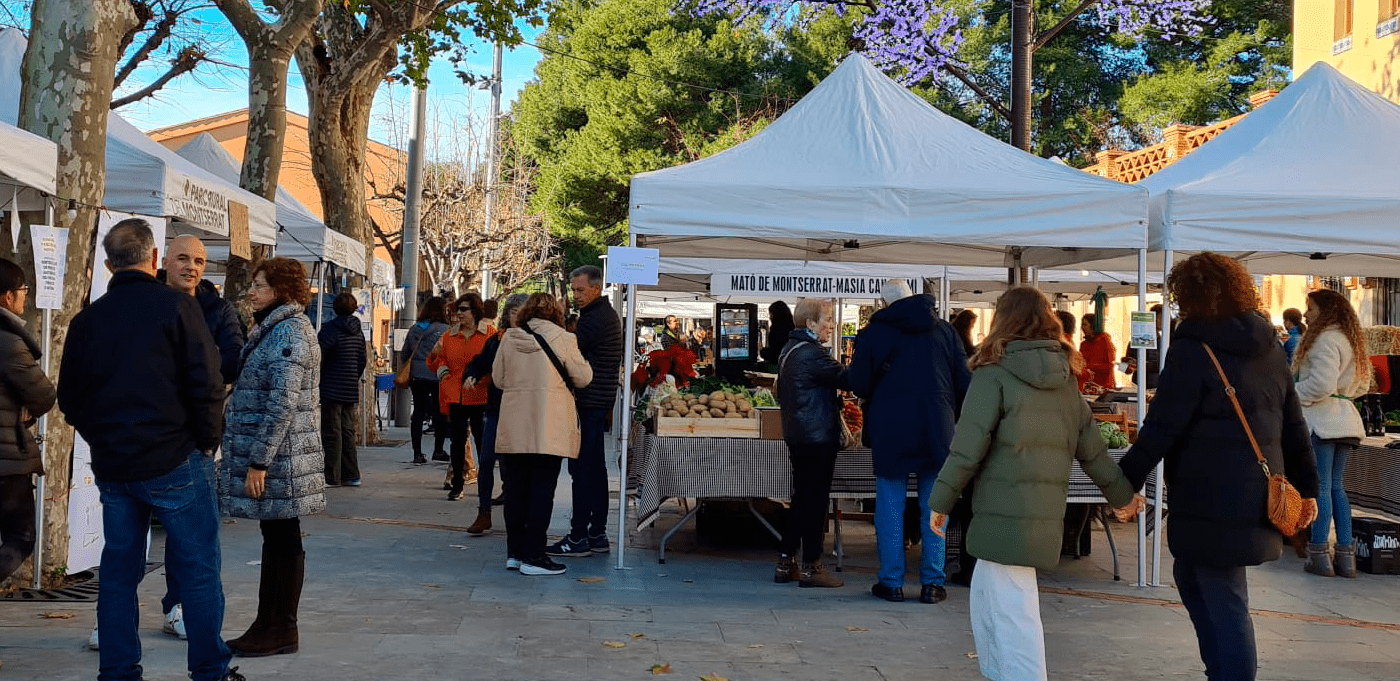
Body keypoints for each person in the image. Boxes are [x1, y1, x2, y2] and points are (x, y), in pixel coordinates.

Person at [57, 219, 243, 681]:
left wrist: (104, 437)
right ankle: (209, 671)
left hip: (117, 463)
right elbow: (207, 382)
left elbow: (70, 400)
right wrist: (204, 442)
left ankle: (118, 671)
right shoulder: (177, 308)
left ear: (108, 264)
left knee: (119, 570)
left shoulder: (87, 321)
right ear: (155, 260)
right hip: (175, 459)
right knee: (198, 568)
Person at [1118, 253, 1318, 681]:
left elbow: (1162, 427)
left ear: (1187, 296)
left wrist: (1124, 481)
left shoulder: (1193, 349)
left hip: (1209, 495)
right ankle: (1221, 673)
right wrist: (1309, 487)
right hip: (1252, 493)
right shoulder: (1268, 347)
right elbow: (1294, 426)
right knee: (1195, 578)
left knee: (1223, 595)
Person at [928, 286, 1141, 680]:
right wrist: (1123, 496)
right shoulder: (1066, 381)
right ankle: (998, 673)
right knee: (992, 600)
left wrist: (940, 500)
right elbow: (1093, 451)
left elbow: (966, 447)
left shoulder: (993, 376)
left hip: (1001, 508)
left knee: (1012, 610)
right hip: (1038, 512)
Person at [142, 235, 248, 644]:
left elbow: (232, 360)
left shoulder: (217, 309)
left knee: (186, 535)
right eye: (183, 258)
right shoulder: (144, 301)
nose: (192, 267)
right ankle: (114, 617)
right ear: (163, 260)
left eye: (200, 261)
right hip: (138, 435)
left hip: (192, 438)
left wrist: (188, 371)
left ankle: (177, 606)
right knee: (127, 539)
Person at [220, 257, 325, 658]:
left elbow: (282, 402)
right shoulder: (274, 329)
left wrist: (259, 461)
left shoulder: (290, 333)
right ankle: (270, 624)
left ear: (280, 290)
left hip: (281, 462)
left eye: (260, 285)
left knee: (283, 539)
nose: (252, 291)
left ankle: (279, 627)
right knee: (277, 538)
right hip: (278, 459)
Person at [849, 281, 970, 603]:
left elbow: (859, 384)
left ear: (885, 303)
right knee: (935, 507)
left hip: (891, 426)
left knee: (890, 506)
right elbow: (964, 382)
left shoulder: (875, 333)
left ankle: (891, 582)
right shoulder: (945, 331)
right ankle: (933, 583)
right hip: (937, 426)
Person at [492, 293, 593, 575]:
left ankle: (514, 553)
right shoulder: (564, 338)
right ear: (556, 314)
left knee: (515, 491)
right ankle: (535, 556)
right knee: (541, 492)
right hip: (550, 426)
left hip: (515, 423)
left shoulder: (509, 338)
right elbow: (584, 378)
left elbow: (498, 379)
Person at [773, 298, 850, 589]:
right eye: (827, 319)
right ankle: (811, 567)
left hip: (799, 434)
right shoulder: (812, 354)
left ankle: (786, 561)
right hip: (816, 436)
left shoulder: (790, 349)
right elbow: (848, 377)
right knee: (815, 502)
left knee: (802, 499)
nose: (832, 325)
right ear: (810, 324)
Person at [548, 266, 623, 558]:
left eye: (580, 290)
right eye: (574, 290)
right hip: (597, 401)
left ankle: (579, 535)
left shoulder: (596, 319)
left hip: (590, 401)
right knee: (594, 470)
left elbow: (569, 351)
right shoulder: (600, 315)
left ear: (596, 288)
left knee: (582, 471)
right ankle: (597, 533)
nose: (576, 295)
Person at [1293, 289, 1369, 578]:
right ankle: (1346, 557)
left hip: (1322, 421)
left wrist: (1293, 394)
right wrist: (1343, 395)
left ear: (1324, 310)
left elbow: (1321, 385)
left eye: (1310, 307)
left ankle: (1319, 552)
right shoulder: (1351, 339)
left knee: (1322, 487)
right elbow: (1362, 385)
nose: (1305, 314)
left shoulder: (1324, 339)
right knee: (1337, 487)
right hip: (1346, 421)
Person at [0, 257, 56, 583]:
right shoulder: (8, 341)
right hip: (6, 460)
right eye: (23, 290)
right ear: (8, 297)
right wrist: (28, 407)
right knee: (20, 539)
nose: (26, 297)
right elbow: (45, 394)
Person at [463, 293, 530, 539]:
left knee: (515, 468)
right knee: (487, 460)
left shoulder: (534, 341)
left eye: (520, 313)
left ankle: (516, 515)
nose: (516, 318)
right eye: (513, 313)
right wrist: (472, 375)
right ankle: (484, 512)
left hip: (522, 412)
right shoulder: (497, 340)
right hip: (496, 409)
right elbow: (479, 362)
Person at [428, 293, 489, 500]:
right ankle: (457, 484)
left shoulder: (489, 334)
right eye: (457, 310)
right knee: (457, 441)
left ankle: (485, 484)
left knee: (483, 442)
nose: (458, 314)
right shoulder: (449, 335)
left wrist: (480, 377)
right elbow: (434, 359)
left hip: (481, 395)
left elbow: (497, 362)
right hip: (456, 395)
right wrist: (442, 369)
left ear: (475, 312)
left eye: (463, 309)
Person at [318, 291, 367, 488]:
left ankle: (332, 475)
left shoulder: (330, 329)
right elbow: (362, 359)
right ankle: (351, 474)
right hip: (349, 386)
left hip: (330, 385)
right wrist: (352, 376)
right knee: (347, 430)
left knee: (332, 431)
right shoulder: (358, 331)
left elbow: (318, 354)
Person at [402, 297, 450, 464]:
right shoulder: (447, 330)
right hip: (437, 374)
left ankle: (417, 453)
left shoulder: (416, 328)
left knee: (418, 412)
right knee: (440, 412)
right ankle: (438, 450)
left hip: (417, 374)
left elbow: (406, 351)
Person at [1079, 313, 1117, 389]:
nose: (1082, 328)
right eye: (1082, 325)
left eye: (1084, 325)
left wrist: (1089, 366)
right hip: (1089, 387)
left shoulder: (1105, 341)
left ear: (1093, 326)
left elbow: (1110, 366)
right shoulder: (1083, 344)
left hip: (1105, 387)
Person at [760, 301, 795, 365]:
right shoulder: (793, 328)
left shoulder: (776, 330)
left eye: (771, 315)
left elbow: (775, 354)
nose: (770, 317)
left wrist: (762, 351)